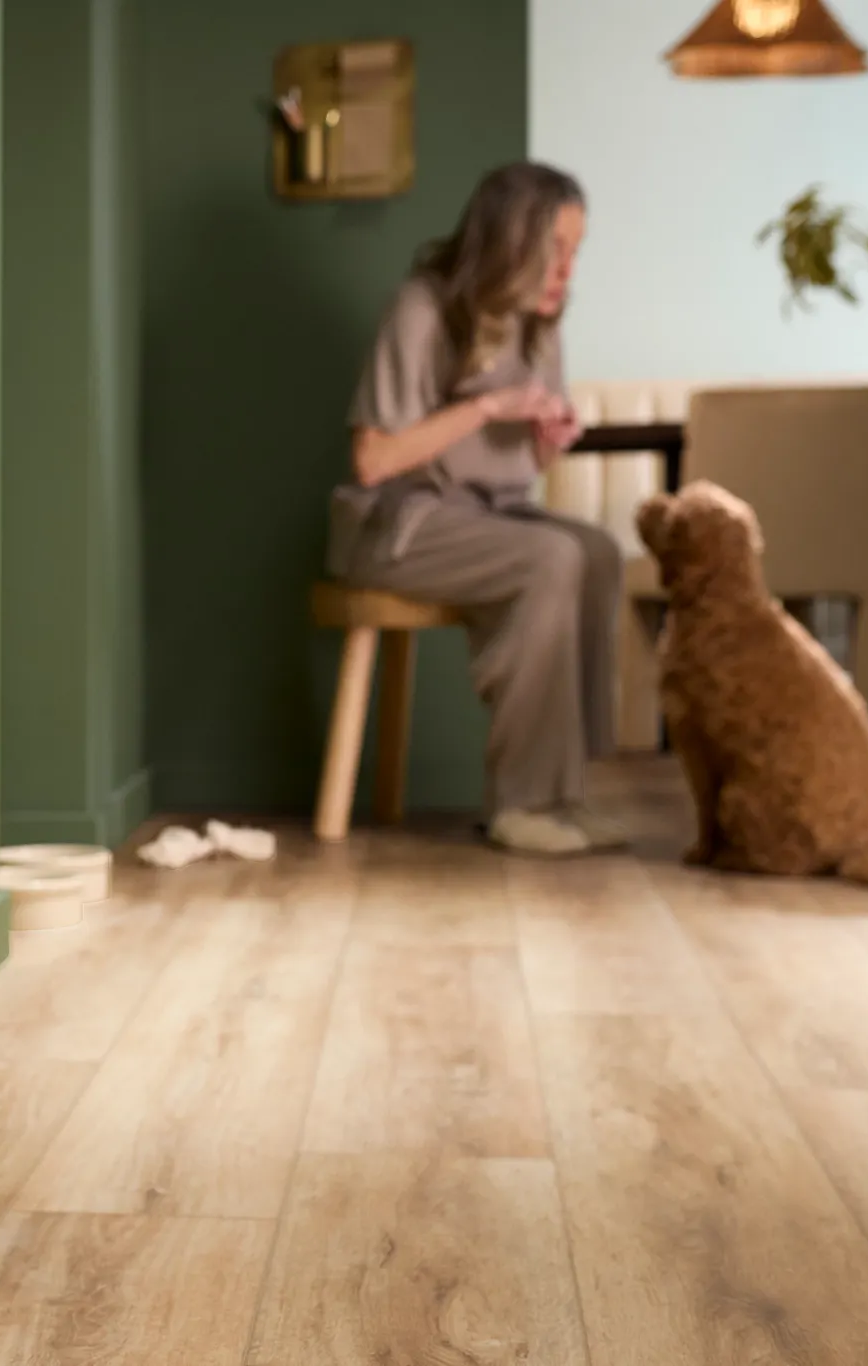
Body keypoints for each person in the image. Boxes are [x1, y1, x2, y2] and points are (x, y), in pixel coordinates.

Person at [327, 161, 623, 856]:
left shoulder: (539, 326)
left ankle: (567, 793)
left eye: (576, 251)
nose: (567, 271)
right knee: (550, 558)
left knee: (599, 553)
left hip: (488, 516)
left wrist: (547, 438)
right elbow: (373, 460)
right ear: (511, 241)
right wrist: (486, 407)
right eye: (555, 249)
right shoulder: (421, 309)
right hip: (396, 524)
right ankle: (524, 803)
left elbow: (519, 468)